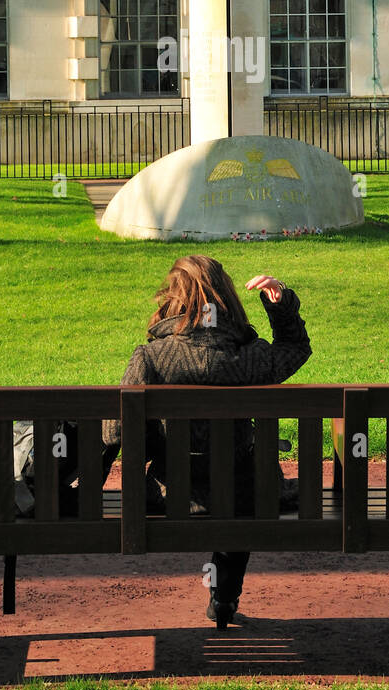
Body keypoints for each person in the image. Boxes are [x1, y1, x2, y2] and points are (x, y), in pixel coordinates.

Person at [102, 255, 311, 628]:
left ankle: (222, 593)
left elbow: (113, 432)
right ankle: (224, 596)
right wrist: (281, 307)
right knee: (241, 489)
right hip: (245, 496)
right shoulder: (250, 357)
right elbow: (295, 349)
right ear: (227, 299)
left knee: (232, 489)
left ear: (172, 301)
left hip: (171, 495)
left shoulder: (150, 358)